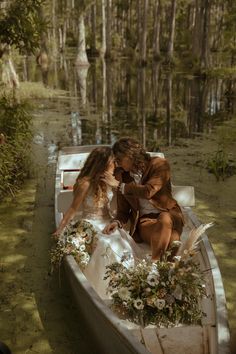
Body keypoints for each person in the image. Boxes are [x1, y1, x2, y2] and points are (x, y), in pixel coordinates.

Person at [53, 146, 139, 299]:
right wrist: (60, 228)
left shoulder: (113, 178)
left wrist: (115, 185)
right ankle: (103, 292)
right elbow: (72, 208)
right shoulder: (85, 183)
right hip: (91, 223)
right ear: (103, 164)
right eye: (113, 162)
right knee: (105, 247)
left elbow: (130, 203)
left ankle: (126, 289)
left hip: (108, 223)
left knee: (124, 248)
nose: (116, 165)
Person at [103, 137, 184, 260]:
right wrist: (116, 222)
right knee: (173, 239)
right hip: (146, 222)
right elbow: (123, 211)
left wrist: (120, 186)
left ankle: (155, 264)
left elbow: (148, 191)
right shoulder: (123, 176)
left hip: (170, 215)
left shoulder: (160, 164)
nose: (118, 163)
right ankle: (164, 267)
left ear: (130, 155)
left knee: (165, 218)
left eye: (119, 159)